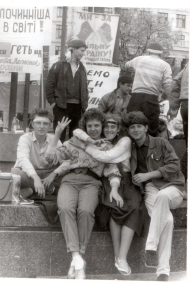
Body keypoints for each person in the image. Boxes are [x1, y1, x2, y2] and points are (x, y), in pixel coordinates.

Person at [44, 109, 122, 279]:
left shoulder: (106, 147)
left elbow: (113, 171)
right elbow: (50, 159)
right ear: (85, 127)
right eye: (90, 125)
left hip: (92, 182)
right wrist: (57, 134)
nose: (93, 128)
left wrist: (115, 189)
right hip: (69, 180)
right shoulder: (74, 141)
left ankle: (76, 260)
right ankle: (77, 258)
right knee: (65, 209)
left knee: (86, 212)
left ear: (102, 127)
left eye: (96, 125)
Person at [69, 113, 146, 276]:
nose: (110, 129)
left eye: (113, 126)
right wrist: (91, 143)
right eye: (107, 126)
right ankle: (117, 256)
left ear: (118, 129)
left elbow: (107, 157)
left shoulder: (124, 141)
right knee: (112, 207)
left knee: (134, 207)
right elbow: (77, 132)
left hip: (127, 180)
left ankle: (123, 258)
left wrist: (84, 146)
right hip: (108, 180)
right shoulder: (99, 142)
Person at [125, 111, 184, 281]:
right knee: (168, 221)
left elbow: (175, 165)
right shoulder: (131, 147)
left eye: (139, 126)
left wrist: (148, 175)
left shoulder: (160, 142)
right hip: (150, 189)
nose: (135, 130)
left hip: (173, 186)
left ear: (145, 128)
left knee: (163, 196)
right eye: (132, 127)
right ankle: (163, 271)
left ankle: (150, 245)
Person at [14, 108, 65, 199]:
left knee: (66, 176)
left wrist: (52, 175)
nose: (41, 126)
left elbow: (64, 162)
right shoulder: (25, 138)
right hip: (29, 174)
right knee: (16, 173)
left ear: (50, 125)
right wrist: (36, 179)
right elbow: (23, 159)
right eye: (38, 123)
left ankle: (30, 191)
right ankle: (50, 190)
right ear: (32, 124)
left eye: (45, 123)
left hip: (47, 176)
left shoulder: (55, 139)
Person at [45, 39, 89, 142]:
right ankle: (57, 157)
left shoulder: (82, 67)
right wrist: (53, 103)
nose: (83, 53)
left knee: (75, 136)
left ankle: (71, 157)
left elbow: (85, 87)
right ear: (73, 50)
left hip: (78, 107)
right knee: (59, 135)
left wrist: (84, 105)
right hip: (61, 107)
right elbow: (49, 86)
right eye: (82, 50)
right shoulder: (59, 65)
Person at [125, 42, 172, 137]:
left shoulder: (139, 60)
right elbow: (168, 85)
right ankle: (150, 150)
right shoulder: (165, 65)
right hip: (152, 99)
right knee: (151, 128)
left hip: (135, 98)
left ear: (148, 51)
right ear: (161, 53)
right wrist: (167, 98)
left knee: (132, 125)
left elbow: (126, 65)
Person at [168, 62, 189, 183]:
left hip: (185, 104)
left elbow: (175, 82)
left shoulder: (187, 65)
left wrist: (175, 106)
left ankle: (182, 180)